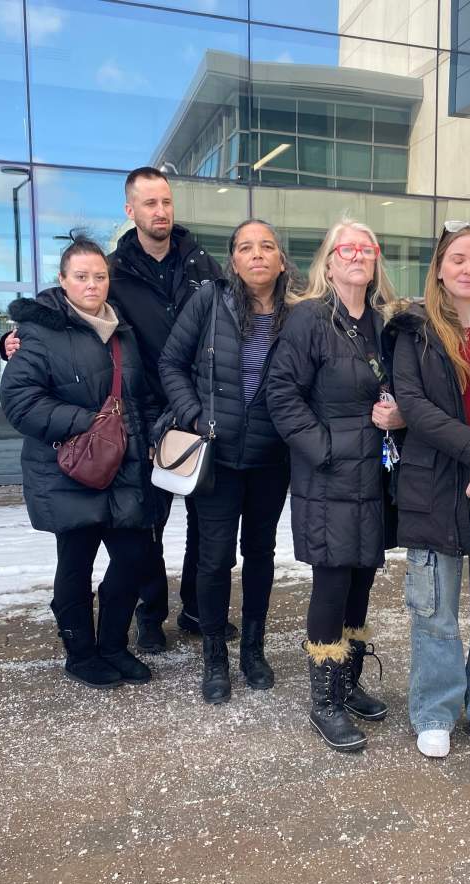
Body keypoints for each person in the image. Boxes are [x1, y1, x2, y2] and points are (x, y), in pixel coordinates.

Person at [3, 167, 223, 655]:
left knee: (206, 524)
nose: (160, 211)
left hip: (196, 413)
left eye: (166, 201)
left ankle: (195, 608)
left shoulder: (202, 264)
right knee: (145, 528)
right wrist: (12, 339)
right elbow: (60, 312)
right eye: (149, 203)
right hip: (140, 423)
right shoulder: (115, 269)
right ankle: (149, 616)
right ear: (131, 210)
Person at [0, 234, 162, 689]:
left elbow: (140, 396)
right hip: (68, 468)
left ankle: (113, 644)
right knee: (75, 564)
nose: (92, 284)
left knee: (133, 559)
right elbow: (19, 400)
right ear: (63, 280)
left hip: (124, 467)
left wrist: (149, 436)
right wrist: (87, 423)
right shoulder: (39, 332)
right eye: (81, 276)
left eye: (99, 276)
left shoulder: (121, 332)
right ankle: (81, 653)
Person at [268, 218, 404, 752]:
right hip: (329, 475)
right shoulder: (309, 319)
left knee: (362, 579)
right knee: (332, 582)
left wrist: (398, 415)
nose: (358, 256)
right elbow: (281, 394)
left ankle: (348, 682)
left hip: (376, 472)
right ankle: (324, 700)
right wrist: (324, 449)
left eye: (367, 248)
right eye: (347, 249)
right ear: (329, 261)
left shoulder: (383, 322)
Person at [389, 221, 470, 758]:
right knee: (434, 604)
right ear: (440, 268)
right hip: (433, 479)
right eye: (458, 259)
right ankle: (435, 710)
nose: (469, 268)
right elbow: (414, 406)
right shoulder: (413, 329)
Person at [158, 219, 294, 703]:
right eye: (246, 247)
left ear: (281, 260)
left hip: (271, 457)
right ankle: (214, 654)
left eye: (267, 246)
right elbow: (171, 363)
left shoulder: (299, 312)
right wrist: (194, 415)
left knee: (260, 554)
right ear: (233, 260)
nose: (257, 254)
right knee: (214, 558)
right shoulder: (210, 301)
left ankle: (253, 650)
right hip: (216, 456)